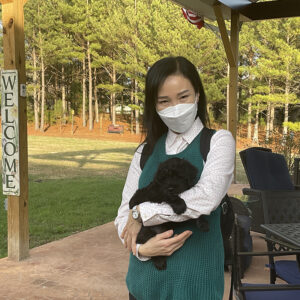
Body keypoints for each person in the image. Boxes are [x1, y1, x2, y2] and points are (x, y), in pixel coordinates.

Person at [114, 56, 235, 300]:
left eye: (183, 97)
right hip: (142, 287)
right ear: (155, 106)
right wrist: (141, 249)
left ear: (197, 95)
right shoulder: (144, 152)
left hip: (194, 289)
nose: (175, 107)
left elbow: (205, 198)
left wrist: (141, 214)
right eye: (164, 101)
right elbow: (122, 216)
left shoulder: (218, 141)